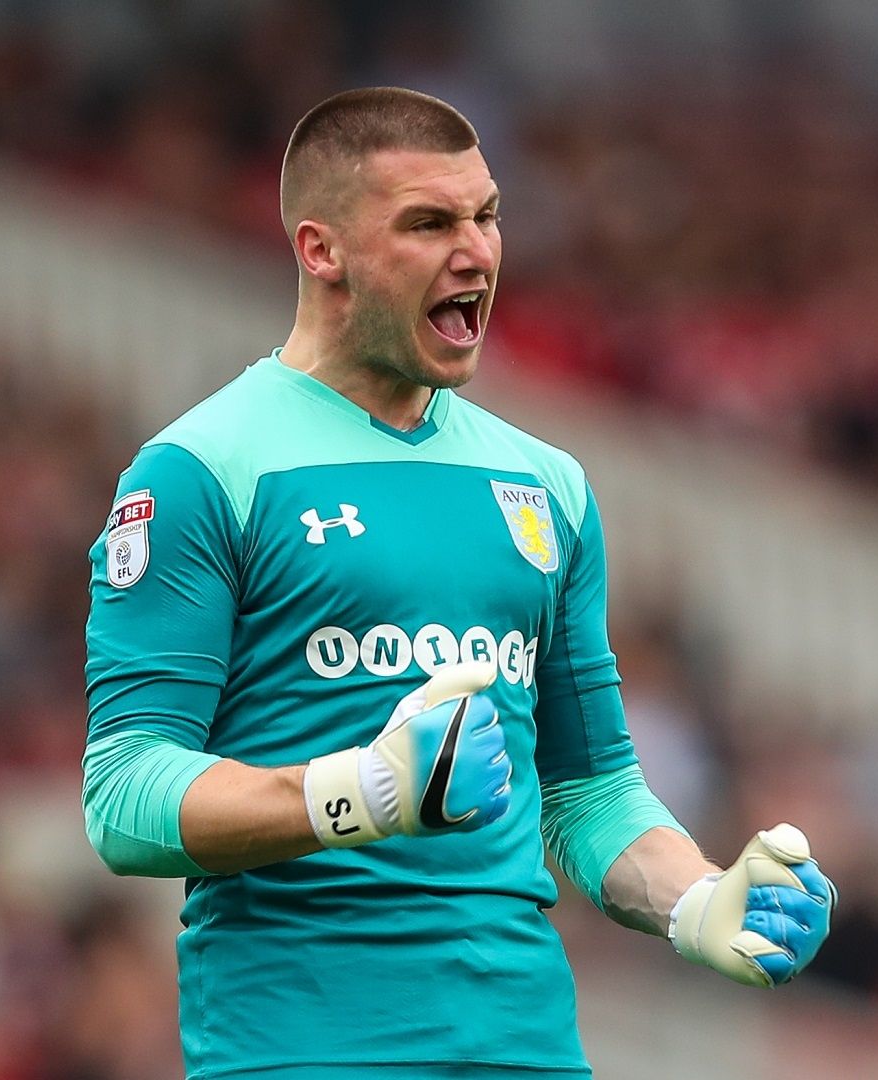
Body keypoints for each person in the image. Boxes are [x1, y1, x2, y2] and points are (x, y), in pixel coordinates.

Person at [82, 87, 835, 1079]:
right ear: (321, 251)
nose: (475, 252)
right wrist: (358, 793)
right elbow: (125, 796)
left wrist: (699, 901)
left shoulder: (547, 487)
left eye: (486, 216)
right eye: (429, 223)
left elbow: (588, 790)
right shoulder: (201, 471)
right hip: (304, 1047)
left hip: (523, 1045)